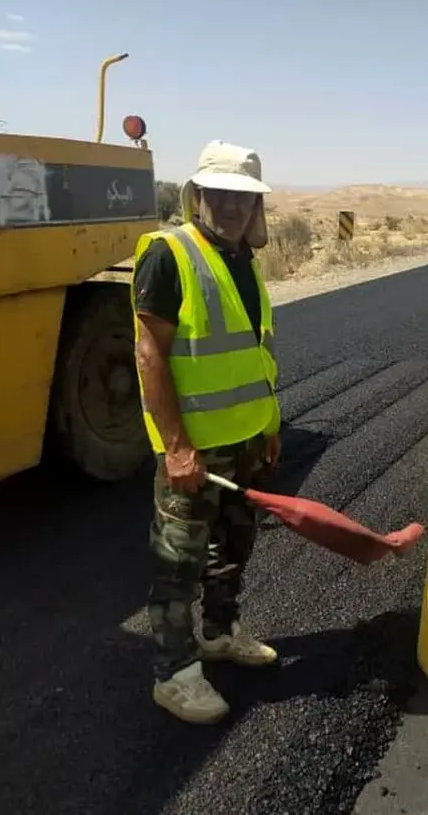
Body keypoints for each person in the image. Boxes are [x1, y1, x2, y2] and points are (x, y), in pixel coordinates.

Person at [131, 140, 283, 724]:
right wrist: (176, 448)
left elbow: (257, 353)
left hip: (245, 441)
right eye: (218, 193)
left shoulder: (242, 261)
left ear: (255, 207)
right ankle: (175, 673)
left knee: (232, 550)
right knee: (178, 564)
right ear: (197, 196)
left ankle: (220, 635)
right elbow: (150, 356)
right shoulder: (170, 255)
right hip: (192, 451)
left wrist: (269, 424)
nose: (229, 206)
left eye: (242, 198)